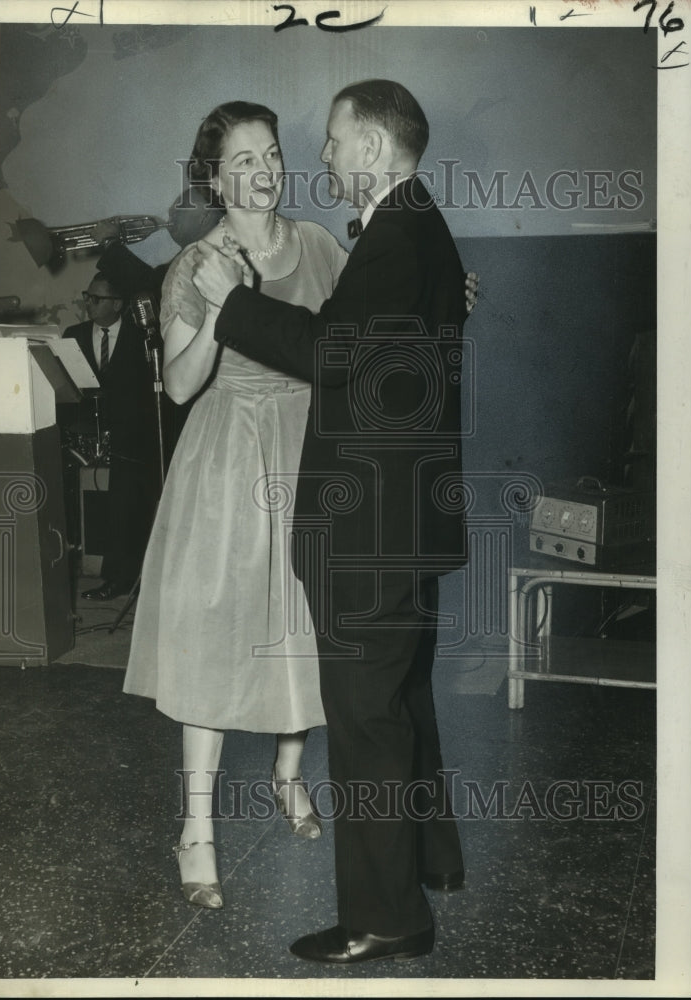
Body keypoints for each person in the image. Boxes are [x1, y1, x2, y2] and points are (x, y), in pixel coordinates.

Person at [193, 79, 470, 965]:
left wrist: (230, 303)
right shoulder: (418, 227)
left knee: (366, 721)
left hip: (368, 528)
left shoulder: (396, 236)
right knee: (404, 699)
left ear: (376, 150)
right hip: (405, 518)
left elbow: (329, 353)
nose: (320, 157)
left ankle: (388, 918)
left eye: (334, 140)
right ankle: (433, 859)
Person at [122, 101, 350, 911]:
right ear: (213, 178)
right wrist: (225, 296)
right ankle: (196, 829)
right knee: (215, 638)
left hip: (307, 451)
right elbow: (181, 385)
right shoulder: (192, 264)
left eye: (273, 154)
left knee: (302, 626)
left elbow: (353, 341)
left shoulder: (320, 245)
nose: (263, 171)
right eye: (242, 160)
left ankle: (288, 779)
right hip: (225, 460)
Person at [61, 273, 161, 599]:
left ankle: (121, 576)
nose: (87, 303)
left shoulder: (144, 338)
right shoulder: (72, 335)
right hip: (83, 435)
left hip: (132, 440)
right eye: (87, 296)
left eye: (96, 298)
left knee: (127, 501)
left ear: (118, 304)